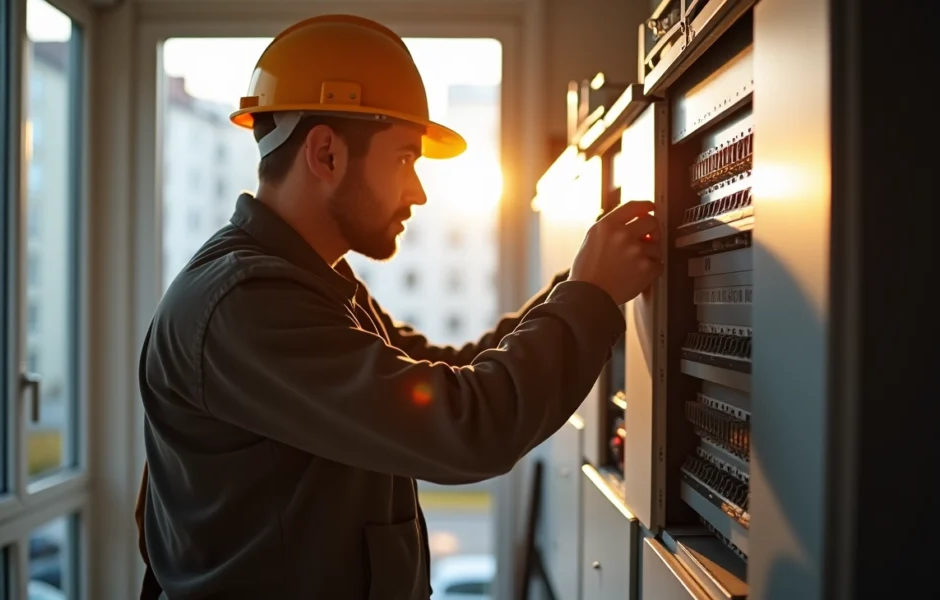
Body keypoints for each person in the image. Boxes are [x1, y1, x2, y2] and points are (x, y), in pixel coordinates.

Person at [135, 13, 662, 600]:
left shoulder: (313, 283)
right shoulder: (245, 306)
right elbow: (466, 427)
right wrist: (589, 299)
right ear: (326, 154)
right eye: (405, 158)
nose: (418, 191)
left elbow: (457, 368)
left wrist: (584, 282)